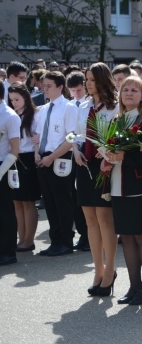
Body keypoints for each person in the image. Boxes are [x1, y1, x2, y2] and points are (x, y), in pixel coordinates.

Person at [105, 76, 142, 305]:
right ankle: (133, 287)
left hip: (141, 186)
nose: (128, 93)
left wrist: (123, 156)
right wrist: (106, 159)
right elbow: (110, 148)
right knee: (126, 237)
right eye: (125, 90)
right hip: (118, 185)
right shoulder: (115, 120)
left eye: (134, 90)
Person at [73, 63, 120, 297]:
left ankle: (110, 270)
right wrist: (74, 150)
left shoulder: (114, 107)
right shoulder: (82, 106)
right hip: (84, 164)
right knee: (89, 219)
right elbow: (76, 134)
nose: (88, 84)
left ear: (102, 80)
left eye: (91, 79)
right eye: (86, 79)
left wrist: (107, 157)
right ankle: (98, 270)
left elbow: (118, 137)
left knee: (104, 219)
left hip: (104, 165)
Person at [35, 71, 79, 257]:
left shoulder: (68, 108)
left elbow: (71, 138)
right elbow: (37, 135)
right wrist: (37, 152)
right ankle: (55, 241)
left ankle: (65, 241)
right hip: (44, 158)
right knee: (50, 202)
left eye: (49, 86)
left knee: (62, 201)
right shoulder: (44, 109)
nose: (45, 89)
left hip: (60, 158)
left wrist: (51, 157)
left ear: (60, 87)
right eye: (44, 86)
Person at [7, 84, 40, 253]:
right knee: (16, 202)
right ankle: (21, 238)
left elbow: (36, 138)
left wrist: (36, 153)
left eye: (17, 99)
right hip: (13, 158)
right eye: (11, 100)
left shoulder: (34, 115)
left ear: (26, 98)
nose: (14, 103)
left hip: (27, 157)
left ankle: (29, 239)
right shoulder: (11, 114)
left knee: (28, 202)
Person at [0, 83, 21, 266]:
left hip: (3, 167)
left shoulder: (9, 116)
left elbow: (15, 150)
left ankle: (8, 252)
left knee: (5, 211)